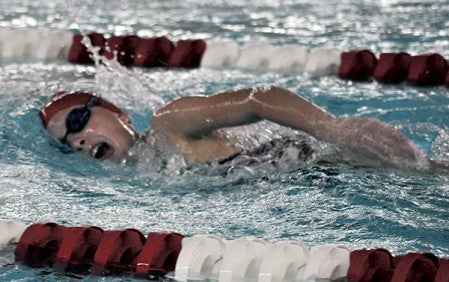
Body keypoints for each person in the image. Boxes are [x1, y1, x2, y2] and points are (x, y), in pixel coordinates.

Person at [40, 85, 444, 173]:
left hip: (336, 161)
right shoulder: (139, 178)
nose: (78, 139)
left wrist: (333, 128)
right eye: (67, 143)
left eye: (78, 120)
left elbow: (257, 99)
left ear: (120, 114)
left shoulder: (168, 126)